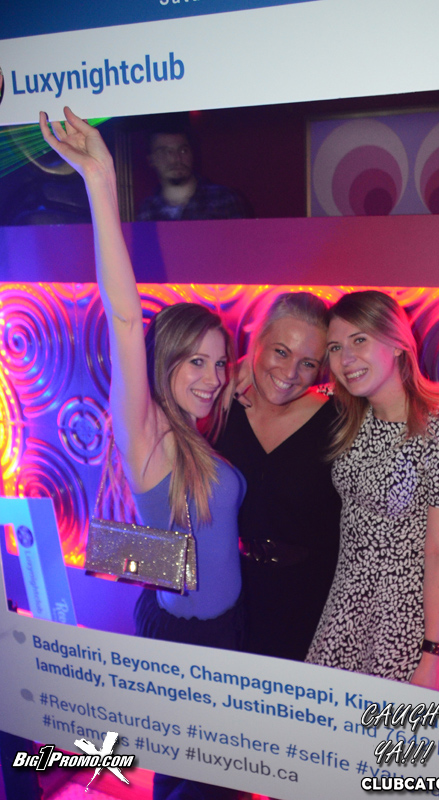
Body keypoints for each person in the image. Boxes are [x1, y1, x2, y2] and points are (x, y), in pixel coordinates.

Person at [39, 107, 245, 800]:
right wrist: (100, 180)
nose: (212, 377)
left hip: (224, 631)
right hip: (188, 642)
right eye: (195, 362)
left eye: (220, 362)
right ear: (164, 363)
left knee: (214, 782)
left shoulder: (197, 430)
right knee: (195, 788)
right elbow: (126, 318)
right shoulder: (149, 430)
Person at [306, 290, 439, 699]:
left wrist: (432, 655)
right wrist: (244, 373)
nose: (346, 358)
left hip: (408, 623)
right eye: (335, 347)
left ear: (398, 344)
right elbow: (290, 387)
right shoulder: (350, 411)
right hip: (345, 610)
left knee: (398, 739)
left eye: (359, 340)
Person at [216, 292, 342, 662]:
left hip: (309, 610)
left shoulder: (339, 420)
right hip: (227, 598)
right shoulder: (219, 405)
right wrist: (232, 371)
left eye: (308, 363)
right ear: (257, 342)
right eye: (281, 352)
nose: (289, 374)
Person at [137, 125, 251, 221]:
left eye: (183, 150)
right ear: (151, 160)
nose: (176, 158)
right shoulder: (147, 209)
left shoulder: (223, 199)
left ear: (192, 154)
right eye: (165, 152)